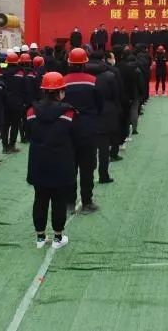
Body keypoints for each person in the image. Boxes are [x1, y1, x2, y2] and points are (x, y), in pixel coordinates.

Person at [25, 72, 77, 249]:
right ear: (61, 91)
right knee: (58, 200)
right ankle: (57, 237)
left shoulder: (32, 111)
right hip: (60, 161)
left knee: (40, 198)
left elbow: (28, 132)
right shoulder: (68, 112)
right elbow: (74, 134)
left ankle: (40, 237)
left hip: (38, 160)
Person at [63, 48, 104, 213]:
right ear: (85, 63)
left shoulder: (63, 81)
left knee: (69, 166)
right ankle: (87, 202)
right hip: (88, 129)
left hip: (67, 129)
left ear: (69, 63)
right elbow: (100, 105)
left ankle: (69, 202)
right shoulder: (93, 81)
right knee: (87, 167)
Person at [87, 51, 120, 184]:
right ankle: (103, 175)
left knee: (87, 149)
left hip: (87, 115)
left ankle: (88, 176)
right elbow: (116, 96)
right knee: (104, 148)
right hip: (106, 115)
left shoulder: (84, 75)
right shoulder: (110, 75)